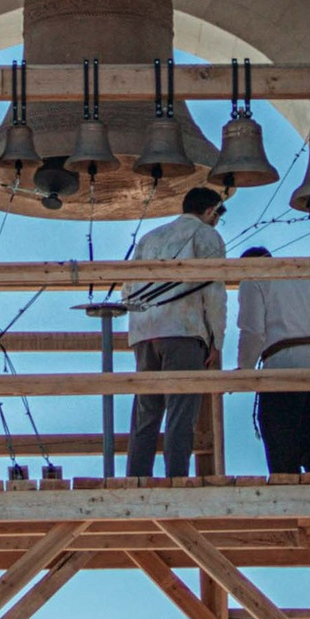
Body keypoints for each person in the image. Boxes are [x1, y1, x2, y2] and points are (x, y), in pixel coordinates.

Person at [120, 184, 226, 481]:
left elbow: (128, 288)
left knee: (146, 412)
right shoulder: (207, 236)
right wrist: (217, 339)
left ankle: (136, 478)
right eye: (217, 216)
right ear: (210, 211)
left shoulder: (149, 238)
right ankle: (176, 479)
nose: (216, 222)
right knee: (181, 411)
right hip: (183, 331)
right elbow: (214, 291)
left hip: (145, 333)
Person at [235, 246, 310, 477]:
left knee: (280, 435)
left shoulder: (252, 279)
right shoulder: (306, 278)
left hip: (284, 364)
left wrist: (245, 370)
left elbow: (253, 331)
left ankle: (286, 488)